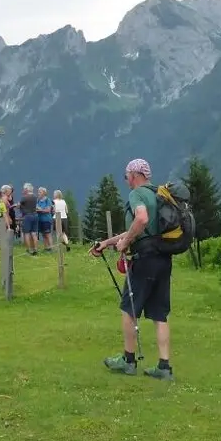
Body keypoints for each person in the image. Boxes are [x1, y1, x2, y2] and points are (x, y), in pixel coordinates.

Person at [91, 158, 174, 381]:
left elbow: (141, 220)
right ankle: (164, 367)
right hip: (163, 259)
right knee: (159, 314)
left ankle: (128, 361)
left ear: (135, 175)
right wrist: (109, 242)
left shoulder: (136, 194)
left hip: (144, 260)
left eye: (126, 175)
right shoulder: (159, 194)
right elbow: (139, 228)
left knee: (129, 309)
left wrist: (126, 242)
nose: (126, 180)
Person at [19, 183, 39, 255]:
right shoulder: (35, 197)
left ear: (26, 189)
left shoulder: (24, 197)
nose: (23, 190)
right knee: (34, 233)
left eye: (24, 189)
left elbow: (20, 205)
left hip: (27, 216)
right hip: (35, 215)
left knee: (26, 233)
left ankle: (28, 250)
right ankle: (35, 249)